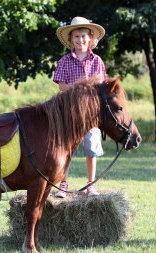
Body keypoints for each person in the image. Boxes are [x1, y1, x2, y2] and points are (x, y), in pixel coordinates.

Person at [53, 16, 106, 197]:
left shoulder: (97, 61)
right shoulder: (65, 61)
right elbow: (61, 85)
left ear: (90, 38)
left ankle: (91, 184)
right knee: (67, 150)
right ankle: (63, 184)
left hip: (90, 115)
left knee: (91, 148)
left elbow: (101, 86)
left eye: (83, 36)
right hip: (70, 113)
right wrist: (77, 91)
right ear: (70, 40)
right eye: (76, 37)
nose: (80, 40)